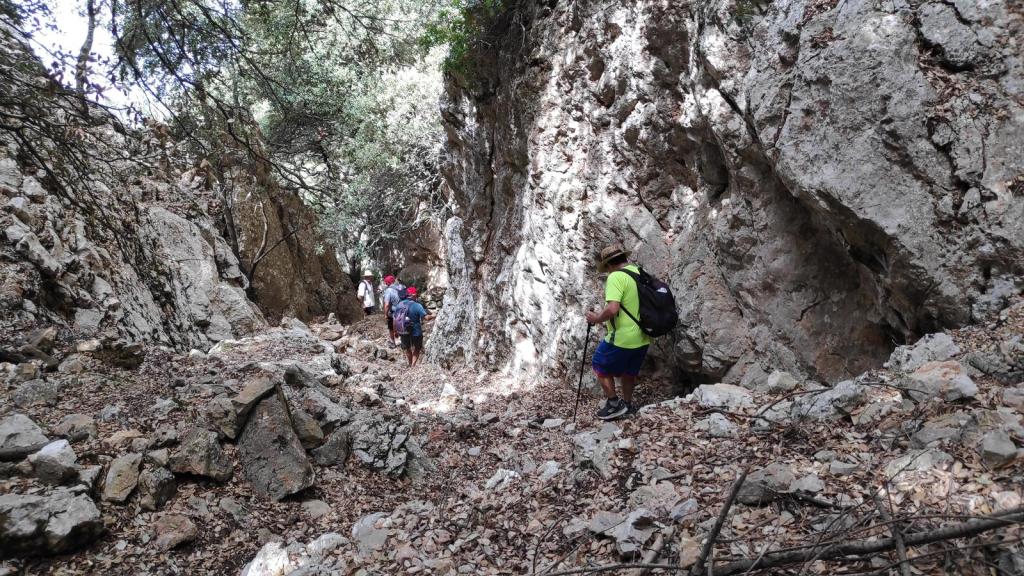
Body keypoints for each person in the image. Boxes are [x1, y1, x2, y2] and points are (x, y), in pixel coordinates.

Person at [585, 245, 651, 420]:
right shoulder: (638, 271)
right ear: (623, 258)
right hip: (643, 335)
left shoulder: (615, 276)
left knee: (599, 364)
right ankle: (627, 405)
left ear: (608, 265)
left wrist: (597, 318)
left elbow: (613, 309)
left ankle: (614, 404)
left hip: (623, 337)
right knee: (629, 371)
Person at [394, 286, 433, 367]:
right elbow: (426, 318)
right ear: (414, 295)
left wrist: (395, 331)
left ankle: (410, 363)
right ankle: (413, 365)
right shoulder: (417, 305)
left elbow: (395, 319)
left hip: (403, 330)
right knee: (417, 348)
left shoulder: (399, 305)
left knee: (407, 348)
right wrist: (434, 315)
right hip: (416, 331)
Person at [382, 274, 406, 346]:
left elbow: (387, 305)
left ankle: (393, 342)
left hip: (394, 313)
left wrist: (386, 314)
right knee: (403, 326)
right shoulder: (402, 287)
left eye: (386, 283)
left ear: (388, 283)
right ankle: (404, 342)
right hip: (404, 311)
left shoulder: (388, 291)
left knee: (391, 328)